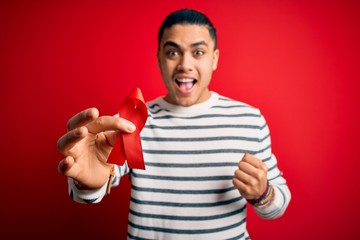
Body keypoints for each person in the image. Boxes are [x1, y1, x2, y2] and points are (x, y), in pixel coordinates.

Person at [57, 8, 291, 239]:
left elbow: (278, 203)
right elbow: (95, 184)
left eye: (198, 52)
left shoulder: (249, 119)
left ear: (214, 59)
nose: (184, 65)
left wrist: (263, 194)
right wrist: (87, 184)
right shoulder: (134, 119)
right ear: (159, 58)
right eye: (173, 53)